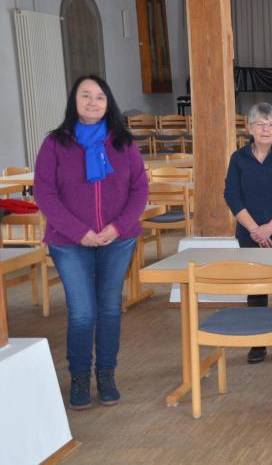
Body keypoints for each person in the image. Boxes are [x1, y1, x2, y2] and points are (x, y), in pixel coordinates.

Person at [34, 75, 148, 410]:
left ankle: (107, 374)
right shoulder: (55, 144)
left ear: (108, 102)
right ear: (74, 101)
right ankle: (80, 377)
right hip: (69, 241)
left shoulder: (124, 143)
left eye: (99, 97)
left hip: (117, 239)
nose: (93, 103)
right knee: (82, 312)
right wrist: (77, 231)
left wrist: (118, 226)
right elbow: (45, 193)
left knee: (111, 309)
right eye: (86, 96)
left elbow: (139, 189)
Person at [223, 102, 272, 364]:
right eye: (260, 123)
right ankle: (257, 341)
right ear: (249, 127)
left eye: (271, 124)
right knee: (255, 287)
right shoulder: (238, 158)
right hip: (248, 232)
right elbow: (232, 195)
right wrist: (255, 229)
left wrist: (269, 227)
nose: (266, 128)